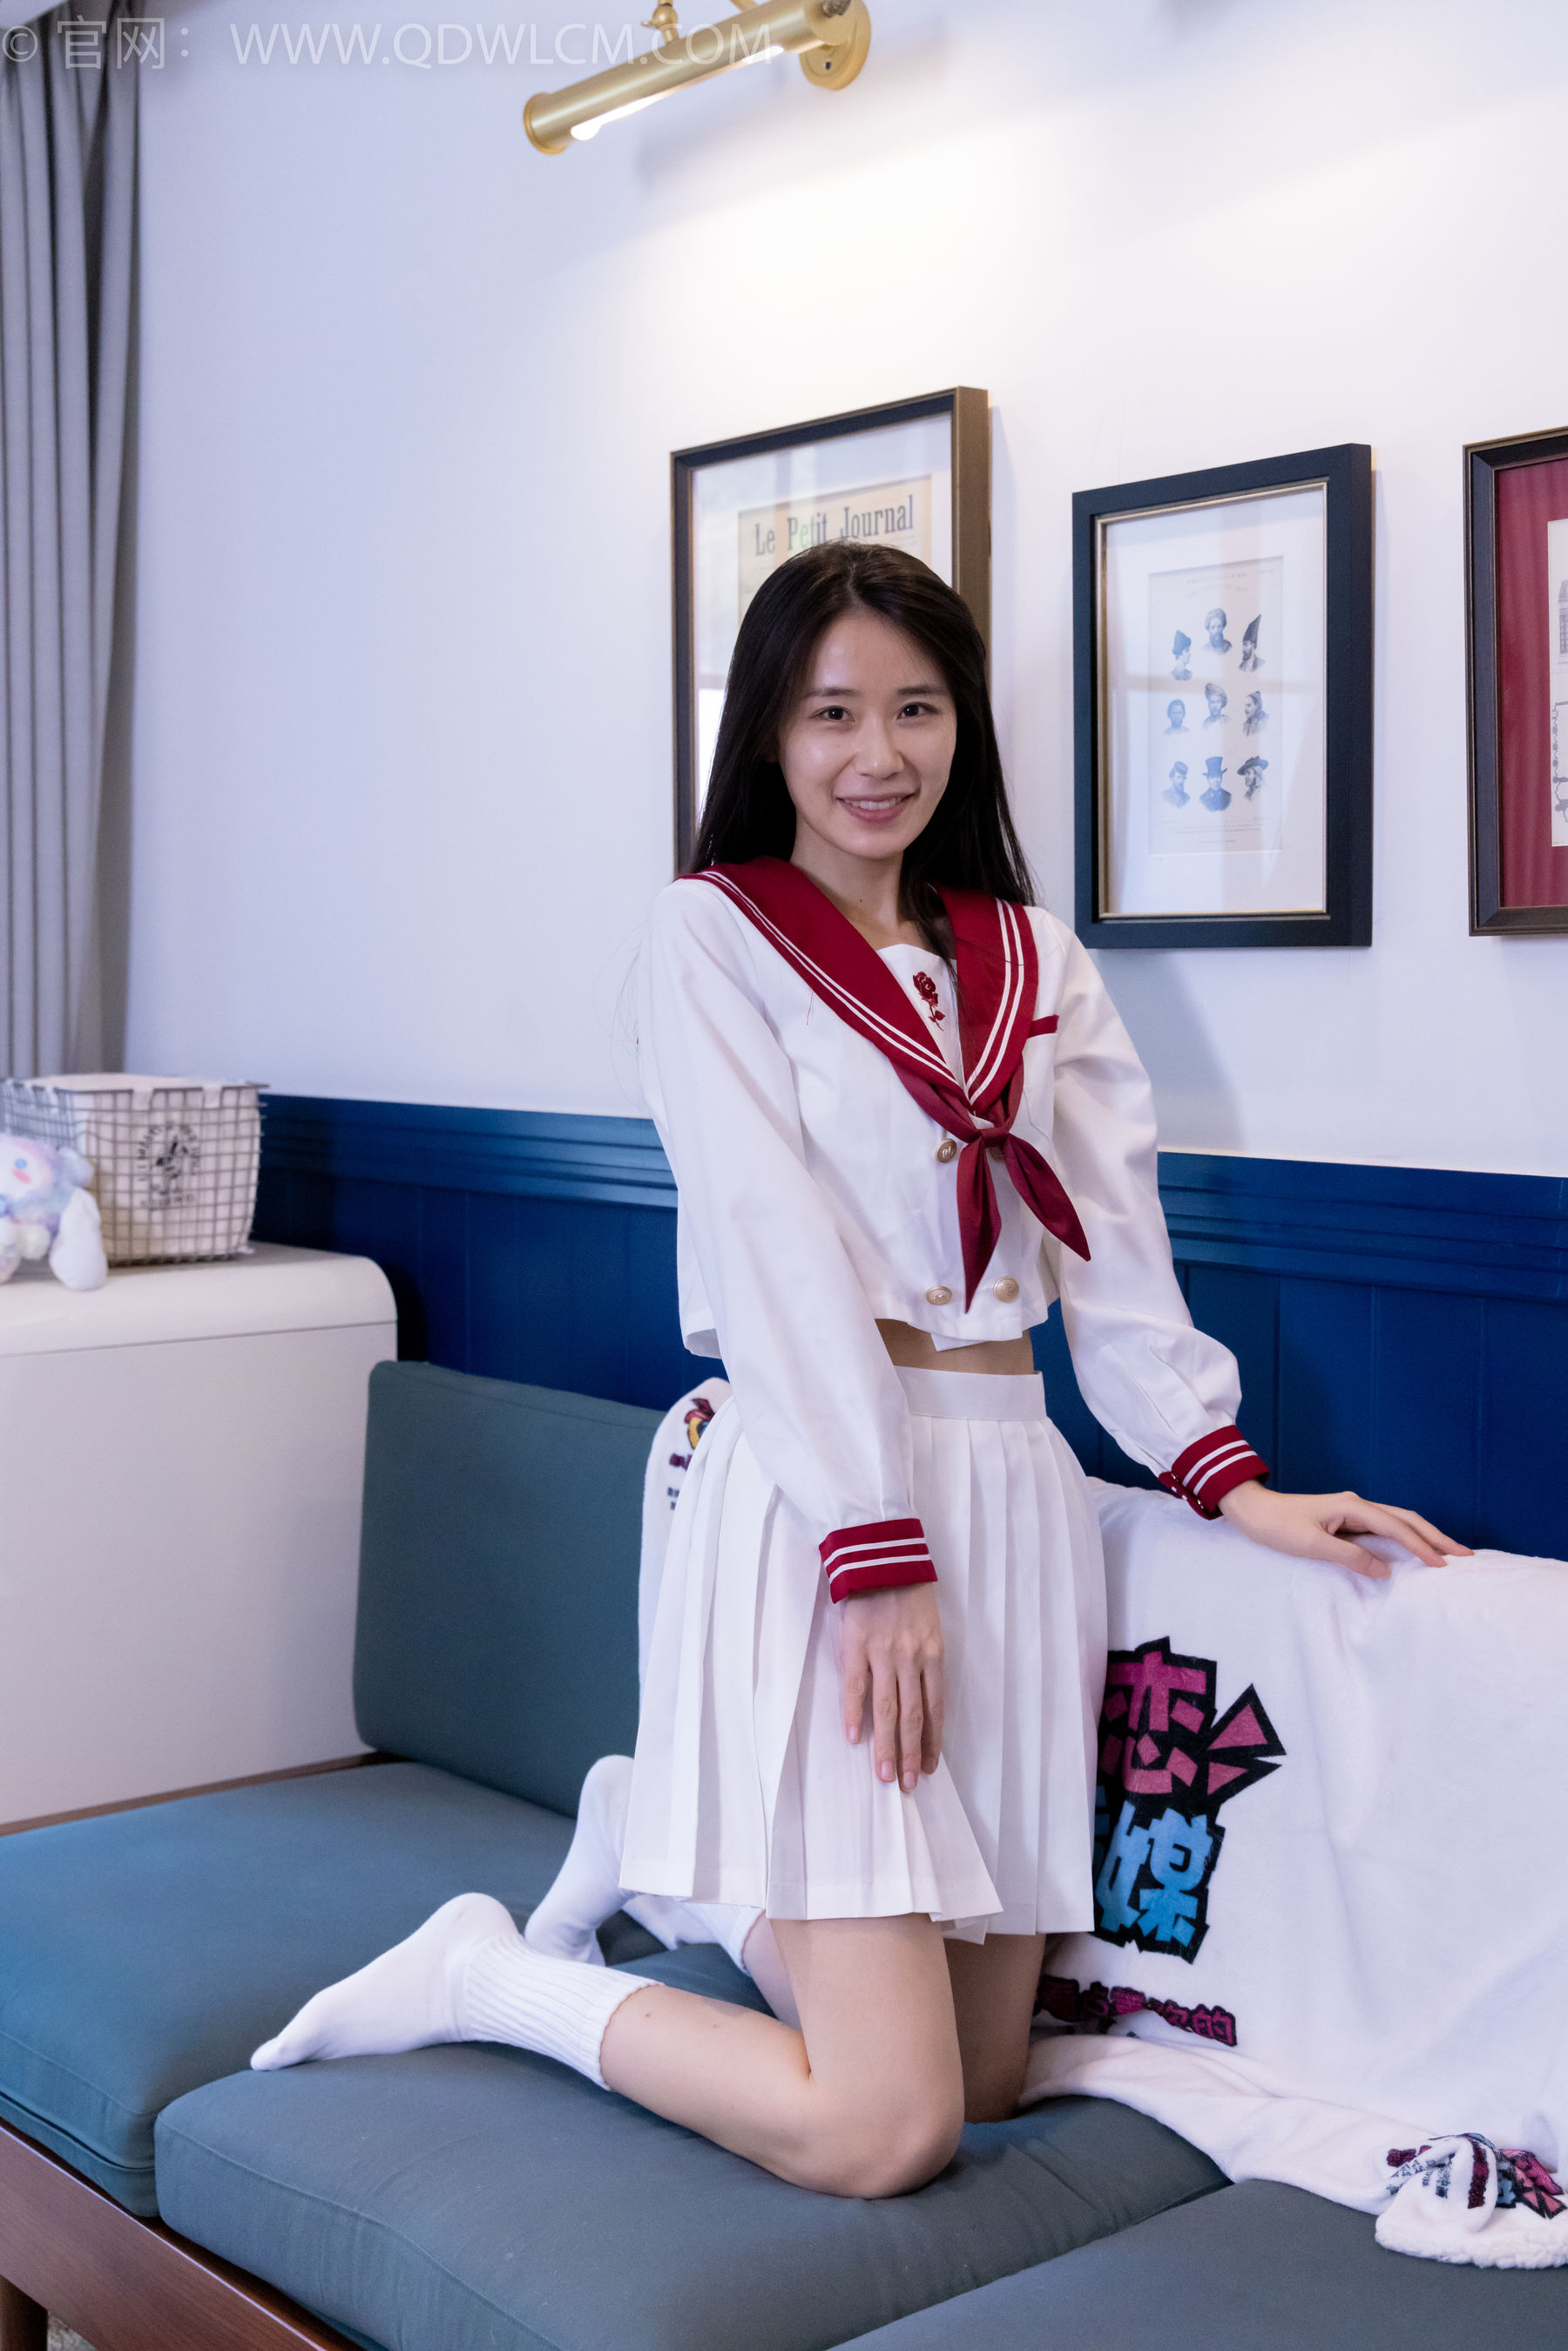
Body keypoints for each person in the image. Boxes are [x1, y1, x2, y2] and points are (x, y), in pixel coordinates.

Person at [249, 544, 1459, 2199]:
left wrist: (1234, 1482)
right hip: (837, 1495)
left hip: (1016, 1491)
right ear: (767, 730)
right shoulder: (713, 936)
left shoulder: (1035, 960)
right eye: (831, 713)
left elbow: (1115, 1251)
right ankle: (486, 1975)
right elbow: (770, 1255)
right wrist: (873, 1551)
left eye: (916, 707)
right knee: (893, 2125)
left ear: (962, 724)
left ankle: (678, 1872)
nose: (876, 753)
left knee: (983, 2072)